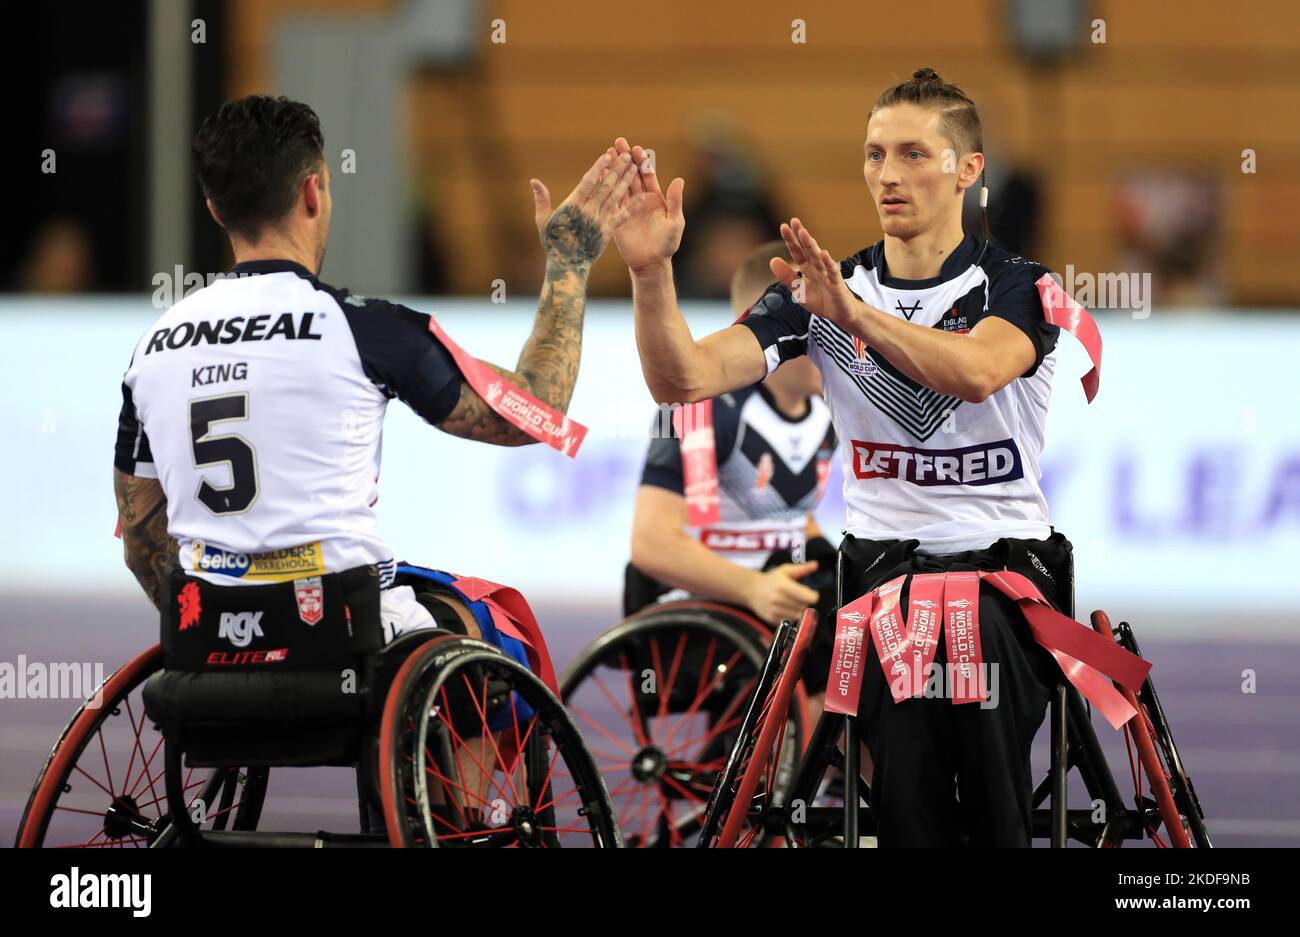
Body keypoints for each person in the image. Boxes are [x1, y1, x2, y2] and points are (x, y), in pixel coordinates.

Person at [602, 69, 1086, 847]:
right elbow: (682, 378)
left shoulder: (1018, 285)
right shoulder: (819, 292)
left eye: (913, 155)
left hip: (1006, 580)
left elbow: (974, 371)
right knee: (905, 760)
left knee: (974, 651)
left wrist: (853, 317)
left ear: (968, 168)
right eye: (873, 155)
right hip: (880, 582)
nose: (888, 175)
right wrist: (649, 274)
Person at [113, 94, 637, 650]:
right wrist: (570, 261)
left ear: (215, 208)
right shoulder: (360, 327)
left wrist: (232, 632)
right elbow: (535, 413)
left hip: (207, 639)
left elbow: (141, 539)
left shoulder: (153, 348)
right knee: (501, 631)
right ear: (313, 192)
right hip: (345, 633)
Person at [628, 239, 839, 705]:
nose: (833, 337)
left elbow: (793, 519)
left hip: (780, 587)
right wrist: (753, 588)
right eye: (814, 323)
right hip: (708, 603)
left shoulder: (831, 412)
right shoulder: (704, 412)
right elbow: (652, 543)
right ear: (766, 323)